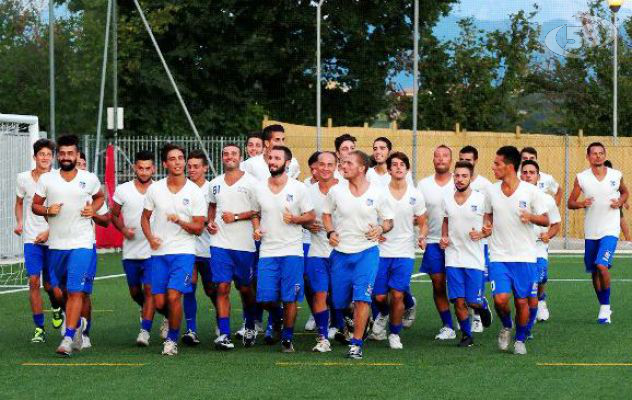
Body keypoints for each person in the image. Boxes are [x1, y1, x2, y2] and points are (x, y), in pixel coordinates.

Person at [32, 135, 105, 356]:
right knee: (60, 291)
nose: (66, 157)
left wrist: (93, 209)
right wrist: (47, 210)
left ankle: (68, 336)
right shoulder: (47, 180)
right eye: (62, 153)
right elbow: (35, 205)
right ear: (57, 156)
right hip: (56, 246)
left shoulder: (89, 178)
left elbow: (100, 197)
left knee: (75, 290)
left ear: (76, 155)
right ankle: (77, 323)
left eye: (70, 153)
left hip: (82, 243)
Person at [322, 150, 394, 360]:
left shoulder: (378, 192)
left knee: (362, 298)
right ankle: (356, 320)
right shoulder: (336, 191)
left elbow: (389, 221)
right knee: (340, 303)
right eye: (342, 163)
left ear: (362, 168)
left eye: (348, 163)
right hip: (341, 254)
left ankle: (356, 344)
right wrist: (330, 232)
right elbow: (326, 214)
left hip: (367, 252)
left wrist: (381, 229)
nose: (343, 166)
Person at [141, 144, 207, 356]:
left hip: (184, 252)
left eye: (180, 158)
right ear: (165, 163)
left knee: (173, 296)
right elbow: (144, 217)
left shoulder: (194, 192)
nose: (178, 162)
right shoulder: (155, 189)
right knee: (160, 301)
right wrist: (150, 237)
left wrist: (180, 221)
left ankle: (171, 340)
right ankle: (171, 319)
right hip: (159, 254)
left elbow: (198, 228)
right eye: (173, 159)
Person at [482, 146, 549, 355]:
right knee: (500, 299)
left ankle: (520, 340)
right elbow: (488, 215)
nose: (493, 167)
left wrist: (531, 217)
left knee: (522, 302)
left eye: (497, 163)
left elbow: (546, 219)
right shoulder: (491, 191)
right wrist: (486, 226)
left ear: (509, 167)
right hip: (499, 256)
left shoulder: (531, 192)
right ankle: (506, 326)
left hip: (525, 257)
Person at [251, 146, 315, 352]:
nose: (272, 161)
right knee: (265, 298)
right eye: (270, 158)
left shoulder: (298, 188)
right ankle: (277, 318)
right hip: (268, 251)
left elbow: (311, 216)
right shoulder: (259, 187)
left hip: (292, 251)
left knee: (290, 298)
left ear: (287, 163)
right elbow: (255, 213)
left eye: (277, 158)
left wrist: (295, 219)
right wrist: (256, 228)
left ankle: (287, 338)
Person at [370, 152, 427, 350]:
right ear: (388, 169)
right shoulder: (378, 192)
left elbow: (422, 221)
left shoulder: (415, 194)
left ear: (407, 169)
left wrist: (422, 237)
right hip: (380, 250)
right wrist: (376, 231)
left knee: (397, 295)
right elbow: (369, 215)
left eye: (402, 164)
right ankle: (384, 314)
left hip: (404, 251)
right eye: (394, 164)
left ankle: (394, 333)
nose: (398, 167)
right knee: (378, 297)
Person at [568, 142, 628, 324]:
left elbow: (625, 192)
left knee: (602, 265)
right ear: (588, 157)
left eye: (601, 153)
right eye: (594, 153)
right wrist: (581, 203)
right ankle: (602, 304)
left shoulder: (616, 175)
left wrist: (620, 201)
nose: (598, 156)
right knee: (594, 271)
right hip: (591, 231)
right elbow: (570, 202)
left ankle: (606, 307)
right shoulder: (581, 178)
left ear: (605, 155)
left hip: (610, 230)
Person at [208, 144, 259, 349]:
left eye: (234, 154)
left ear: (240, 157)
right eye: (226, 154)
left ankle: (249, 324)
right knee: (221, 286)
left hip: (245, 244)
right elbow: (212, 206)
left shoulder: (253, 182)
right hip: (219, 243)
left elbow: (259, 210)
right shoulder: (214, 183)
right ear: (222, 158)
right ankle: (224, 334)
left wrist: (237, 217)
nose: (230, 157)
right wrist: (209, 221)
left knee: (245, 288)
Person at [15, 138, 63, 343]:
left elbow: (62, 211)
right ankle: (39, 328)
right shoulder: (23, 178)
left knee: (52, 286)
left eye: (48, 155)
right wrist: (19, 222)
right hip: (31, 239)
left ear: (52, 159)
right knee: (33, 281)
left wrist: (49, 232)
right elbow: (18, 202)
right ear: (35, 157)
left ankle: (57, 306)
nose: (45, 158)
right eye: (41, 154)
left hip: (54, 238)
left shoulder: (57, 179)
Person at [440, 161, 492, 348]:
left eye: (464, 176)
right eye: (457, 176)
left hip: (474, 258)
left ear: (471, 178)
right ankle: (467, 335)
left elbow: (490, 226)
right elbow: (446, 220)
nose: (460, 179)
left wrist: (482, 233)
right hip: (453, 256)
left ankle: (483, 306)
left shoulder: (481, 199)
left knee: (473, 302)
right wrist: (444, 236)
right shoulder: (446, 199)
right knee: (458, 301)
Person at [111, 150, 159, 346]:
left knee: (149, 289)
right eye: (141, 168)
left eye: (148, 168)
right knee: (135, 292)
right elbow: (113, 215)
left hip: (153, 251)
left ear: (154, 169)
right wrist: (123, 229)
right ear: (135, 168)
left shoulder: (160, 189)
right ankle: (149, 310)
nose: (145, 172)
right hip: (131, 251)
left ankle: (144, 331)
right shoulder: (123, 190)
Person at [416, 145, 456, 340]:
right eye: (437, 156)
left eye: (445, 156)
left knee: (459, 286)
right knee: (438, 284)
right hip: (433, 242)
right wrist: (421, 235)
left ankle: (472, 315)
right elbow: (417, 213)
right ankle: (448, 325)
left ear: (451, 160)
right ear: (433, 160)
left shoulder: (460, 181)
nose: (441, 159)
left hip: (456, 244)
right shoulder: (423, 185)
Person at [304, 151, 339, 352]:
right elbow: (300, 218)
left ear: (336, 166)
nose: (325, 168)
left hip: (341, 253)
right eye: (322, 164)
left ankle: (345, 323)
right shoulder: (307, 191)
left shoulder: (344, 189)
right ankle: (323, 337)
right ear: (315, 167)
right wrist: (307, 226)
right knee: (319, 294)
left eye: (330, 164)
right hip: (317, 251)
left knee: (340, 297)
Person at [181, 150, 217, 346]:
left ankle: (221, 324)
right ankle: (191, 330)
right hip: (187, 248)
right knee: (189, 287)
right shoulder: (182, 188)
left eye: (196, 166)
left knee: (213, 290)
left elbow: (214, 217)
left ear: (205, 168)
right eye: (190, 166)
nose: (192, 169)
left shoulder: (212, 189)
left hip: (210, 248)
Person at [520, 160, 561, 331]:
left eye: (532, 172)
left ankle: (539, 300)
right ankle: (527, 317)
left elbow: (556, 224)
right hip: (519, 249)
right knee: (525, 286)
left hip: (538, 248)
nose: (528, 175)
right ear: (520, 174)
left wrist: (548, 235)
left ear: (538, 176)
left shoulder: (547, 200)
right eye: (525, 172)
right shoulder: (514, 197)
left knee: (540, 278)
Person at [458, 145, 493, 333]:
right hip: (457, 245)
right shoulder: (455, 182)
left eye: (469, 160)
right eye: (462, 158)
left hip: (479, 244)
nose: (465, 162)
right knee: (458, 284)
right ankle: (464, 315)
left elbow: (491, 214)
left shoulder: (485, 185)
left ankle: (478, 316)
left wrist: (484, 232)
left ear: (476, 161)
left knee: (478, 281)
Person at [604, 160, 631, 242]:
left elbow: (622, 191)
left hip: (615, 203)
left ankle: (628, 239)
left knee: (621, 219)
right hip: (604, 204)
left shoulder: (615, 178)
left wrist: (624, 202)